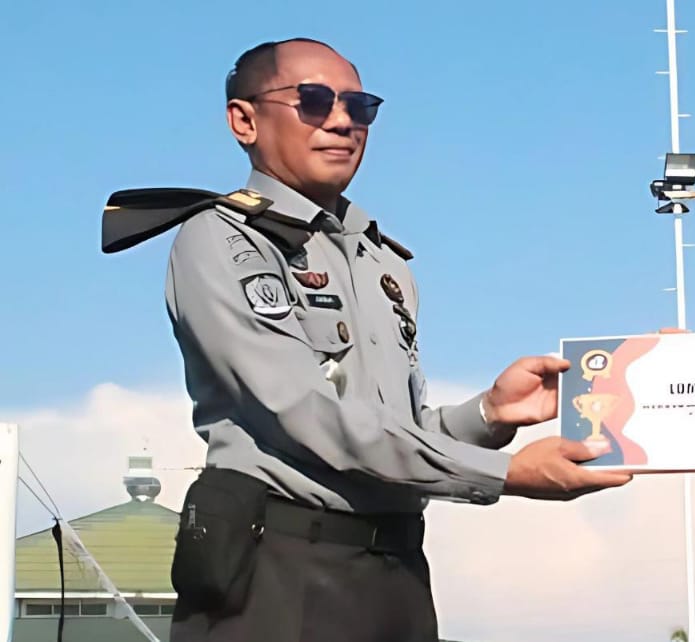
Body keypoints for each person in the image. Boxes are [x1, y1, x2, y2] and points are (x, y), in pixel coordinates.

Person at [101, 38, 631, 642]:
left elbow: (388, 431)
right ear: (244, 121)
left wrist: (488, 413)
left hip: (396, 572)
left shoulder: (383, 261)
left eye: (359, 106)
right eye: (313, 101)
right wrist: (504, 473)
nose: (341, 121)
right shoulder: (223, 239)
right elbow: (307, 416)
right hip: (282, 572)